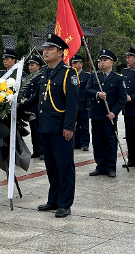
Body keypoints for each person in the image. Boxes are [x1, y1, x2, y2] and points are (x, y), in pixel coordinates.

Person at [20, 34, 79, 218]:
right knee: (51, 166)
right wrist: (15, 106)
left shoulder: (69, 73)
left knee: (64, 166)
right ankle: (53, 199)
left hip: (61, 128)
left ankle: (65, 203)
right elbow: (36, 99)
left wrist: (69, 126)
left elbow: (72, 103)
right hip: (44, 127)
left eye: (50, 49)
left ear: (60, 52)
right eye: (44, 48)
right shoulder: (44, 73)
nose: (45, 51)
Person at [85, 49, 126, 177]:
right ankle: (100, 166)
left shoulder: (118, 79)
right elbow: (87, 89)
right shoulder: (94, 76)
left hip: (109, 116)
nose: (101, 63)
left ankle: (110, 167)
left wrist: (114, 112)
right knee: (97, 142)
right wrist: (97, 94)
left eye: (105, 60)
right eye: (100, 61)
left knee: (110, 142)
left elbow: (122, 99)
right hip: (97, 114)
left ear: (111, 62)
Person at [24, 55, 44, 159]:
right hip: (31, 108)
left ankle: (42, 151)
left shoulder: (41, 77)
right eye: (29, 65)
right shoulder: (29, 77)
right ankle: (36, 150)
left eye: (33, 65)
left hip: (38, 107)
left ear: (39, 66)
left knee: (39, 130)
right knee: (33, 130)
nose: (30, 67)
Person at [71, 54, 91, 151]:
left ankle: (85, 143)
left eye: (75, 63)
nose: (73, 65)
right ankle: (76, 142)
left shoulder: (86, 76)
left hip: (83, 104)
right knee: (74, 124)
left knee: (84, 125)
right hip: (73, 104)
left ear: (81, 64)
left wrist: (88, 104)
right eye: (72, 63)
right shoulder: (70, 75)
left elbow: (88, 91)